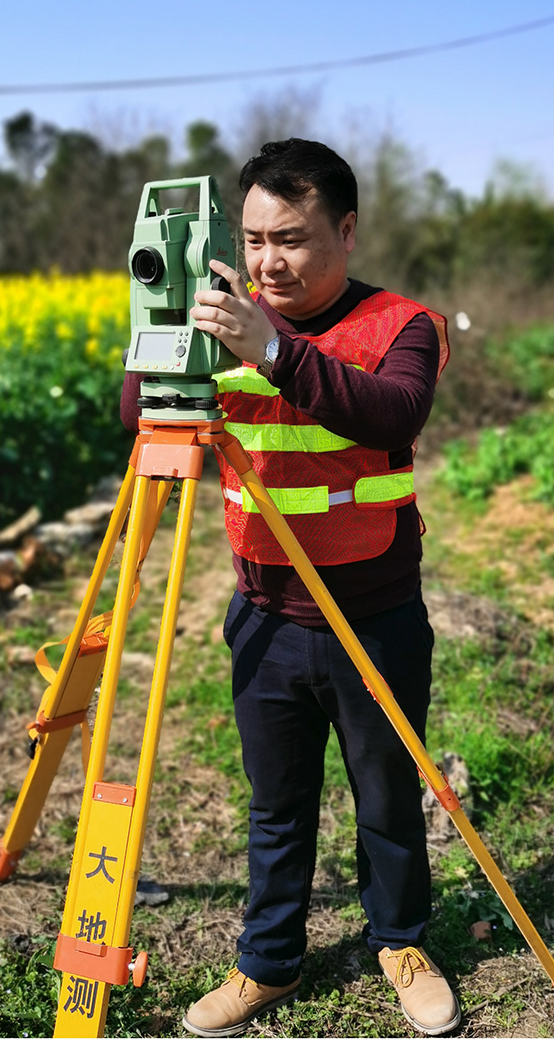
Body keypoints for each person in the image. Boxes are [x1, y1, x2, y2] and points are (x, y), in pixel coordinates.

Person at [120, 139, 457, 1038]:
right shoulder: (225, 323)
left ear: (345, 232)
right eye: (256, 237)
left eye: (294, 238)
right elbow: (136, 419)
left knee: (386, 794)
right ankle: (267, 960)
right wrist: (157, 324)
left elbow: (392, 413)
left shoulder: (401, 325)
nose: (269, 261)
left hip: (373, 616)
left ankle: (401, 943)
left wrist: (272, 348)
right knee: (276, 805)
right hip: (266, 615)